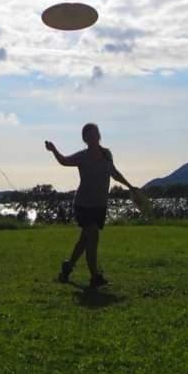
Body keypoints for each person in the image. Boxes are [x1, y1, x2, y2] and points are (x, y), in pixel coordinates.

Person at [44, 123, 140, 288]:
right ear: (85, 139)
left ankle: (67, 267)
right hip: (83, 204)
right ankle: (95, 276)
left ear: (99, 135)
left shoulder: (106, 154)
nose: (93, 137)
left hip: (99, 205)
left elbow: (114, 173)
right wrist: (54, 150)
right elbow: (64, 161)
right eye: (89, 135)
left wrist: (131, 187)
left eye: (95, 134)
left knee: (84, 240)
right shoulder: (82, 156)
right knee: (93, 236)